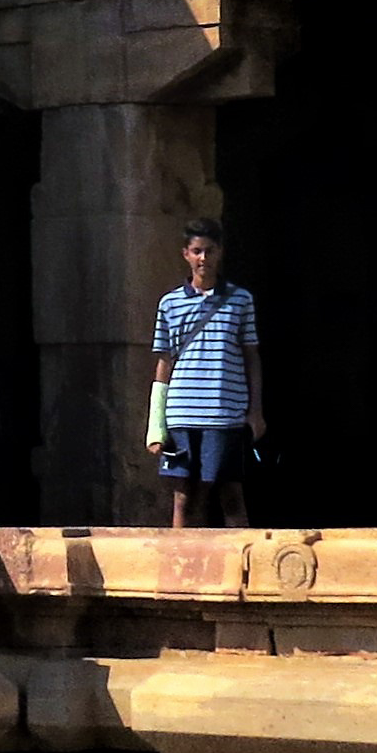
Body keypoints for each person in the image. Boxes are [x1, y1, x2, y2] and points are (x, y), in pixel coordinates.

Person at [142, 222, 261, 530]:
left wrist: (256, 411)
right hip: (182, 413)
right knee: (183, 496)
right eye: (197, 251)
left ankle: (242, 567)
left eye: (209, 251)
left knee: (229, 493)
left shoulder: (240, 300)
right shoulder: (169, 304)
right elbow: (164, 362)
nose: (203, 258)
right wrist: (156, 424)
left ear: (219, 253)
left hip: (224, 414)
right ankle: (181, 569)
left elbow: (251, 357)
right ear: (186, 255)